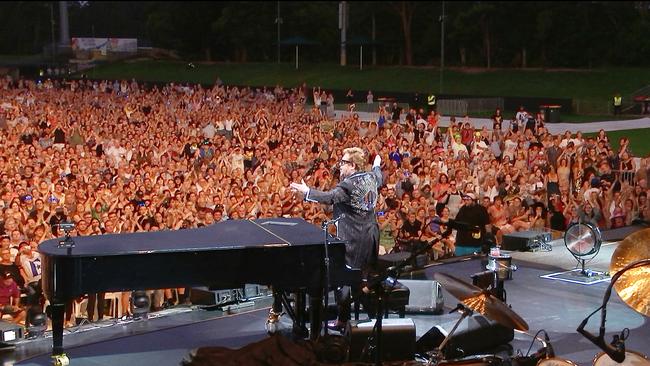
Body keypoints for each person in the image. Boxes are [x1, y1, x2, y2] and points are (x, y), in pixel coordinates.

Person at [290, 147, 383, 331]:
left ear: (353, 165)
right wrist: (377, 164)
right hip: (371, 237)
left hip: (353, 240)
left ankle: (360, 320)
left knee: (345, 279)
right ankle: (363, 318)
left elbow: (330, 197)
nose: (340, 166)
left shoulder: (348, 185)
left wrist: (307, 191)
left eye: (343, 162)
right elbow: (379, 175)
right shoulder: (371, 177)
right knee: (361, 278)